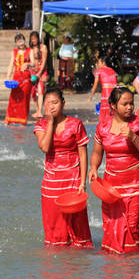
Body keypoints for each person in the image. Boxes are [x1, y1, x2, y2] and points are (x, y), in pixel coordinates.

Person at [89, 87, 139, 254]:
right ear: (113, 106)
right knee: (112, 226)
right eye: (124, 104)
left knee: (133, 227)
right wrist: (93, 168)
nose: (130, 107)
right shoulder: (103, 127)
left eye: (131, 103)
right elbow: (97, 152)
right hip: (112, 186)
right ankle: (114, 274)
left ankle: (133, 270)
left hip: (136, 182)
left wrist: (133, 137)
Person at [34, 88, 92, 248]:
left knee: (77, 229)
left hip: (72, 181)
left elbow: (83, 155)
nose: (51, 107)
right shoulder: (41, 125)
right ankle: (56, 267)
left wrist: (82, 183)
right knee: (54, 228)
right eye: (48, 104)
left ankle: (76, 266)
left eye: (55, 102)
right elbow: (45, 147)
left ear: (63, 103)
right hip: (51, 183)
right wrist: (51, 122)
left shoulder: (76, 124)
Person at [5, 33, 32, 125]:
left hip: (26, 78)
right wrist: (8, 77)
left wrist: (28, 64)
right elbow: (11, 65)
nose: (20, 43)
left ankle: (22, 120)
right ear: (16, 43)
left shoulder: (29, 50)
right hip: (16, 77)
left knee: (24, 99)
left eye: (22, 40)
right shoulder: (14, 52)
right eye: (18, 41)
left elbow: (33, 63)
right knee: (13, 99)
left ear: (24, 41)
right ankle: (10, 119)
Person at [88, 55, 117, 124]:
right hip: (114, 92)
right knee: (113, 112)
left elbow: (95, 85)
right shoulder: (112, 71)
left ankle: (103, 129)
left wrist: (91, 96)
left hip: (106, 93)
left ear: (103, 63)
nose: (97, 64)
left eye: (99, 62)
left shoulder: (99, 71)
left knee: (105, 113)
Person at [29, 31, 48, 119]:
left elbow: (44, 61)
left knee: (40, 91)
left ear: (38, 38)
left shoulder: (43, 47)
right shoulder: (31, 49)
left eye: (35, 38)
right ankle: (37, 110)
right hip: (32, 72)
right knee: (33, 92)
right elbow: (31, 62)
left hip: (42, 71)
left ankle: (40, 111)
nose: (33, 40)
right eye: (32, 39)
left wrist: (39, 73)